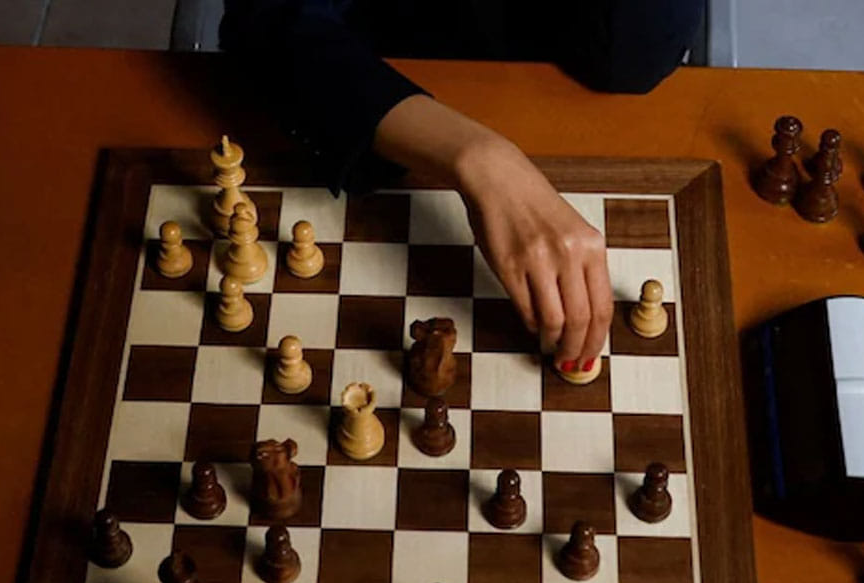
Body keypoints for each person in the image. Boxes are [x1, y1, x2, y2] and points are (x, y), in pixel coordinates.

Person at [219, 1, 704, 372]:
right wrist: (479, 159)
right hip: (364, 75)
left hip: (555, 91)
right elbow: (270, 21)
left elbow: (635, 59)